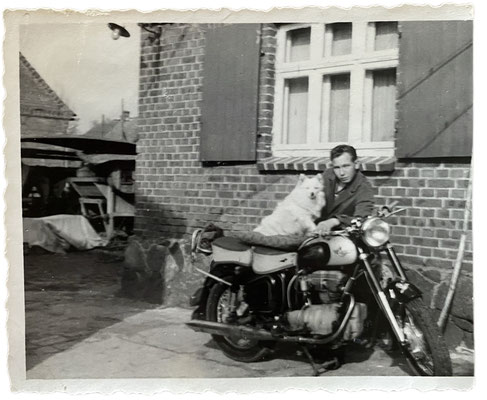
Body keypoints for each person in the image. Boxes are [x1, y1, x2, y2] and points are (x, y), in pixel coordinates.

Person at [316, 145, 375, 234]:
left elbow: (362, 219)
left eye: (346, 166)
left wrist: (334, 221)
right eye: (337, 167)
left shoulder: (363, 187)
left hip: (342, 237)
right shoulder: (328, 175)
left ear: (356, 164)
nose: (341, 173)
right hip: (315, 231)